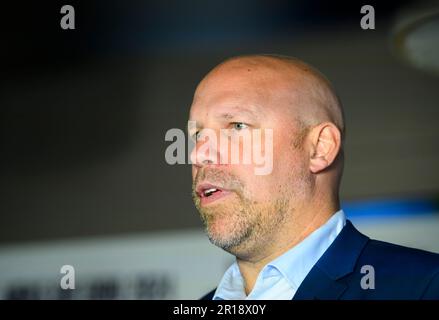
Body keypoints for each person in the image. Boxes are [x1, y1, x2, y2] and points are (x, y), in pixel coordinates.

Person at [188, 54, 439, 300]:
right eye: (197, 135)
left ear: (320, 148)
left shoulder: (425, 287)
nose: (199, 154)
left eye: (237, 126)